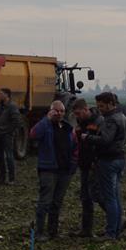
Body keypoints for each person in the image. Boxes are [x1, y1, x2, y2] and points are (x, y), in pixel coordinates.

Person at [83, 92, 126, 240]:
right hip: (120, 159)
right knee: (116, 197)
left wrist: (88, 137)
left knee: (110, 198)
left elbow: (105, 140)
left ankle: (111, 232)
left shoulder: (111, 120)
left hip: (108, 161)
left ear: (110, 104)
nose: (99, 109)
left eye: (101, 106)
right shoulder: (121, 117)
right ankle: (116, 229)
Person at [30, 100, 76, 241]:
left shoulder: (67, 128)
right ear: (51, 111)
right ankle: (39, 232)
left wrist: (73, 164)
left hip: (64, 170)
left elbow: (74, 146)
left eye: (62, 111)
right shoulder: (45, 126)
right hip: (48, 169)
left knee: (57, 202)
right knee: (45, 201)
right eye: (56, 110)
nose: (59, 113)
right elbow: (33, 134)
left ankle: (53, 231)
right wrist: (46, 119)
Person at [71, 98, 105, 238]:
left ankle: (118, 217)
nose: (77, 117)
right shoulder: (80, 122)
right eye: (75, 114)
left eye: (79, 113)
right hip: (84, 163)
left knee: (96, 194)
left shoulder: (98, 121)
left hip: (95, 164)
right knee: (85, 197)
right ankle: (86, 229)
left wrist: (95, 161)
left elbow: (102, 143)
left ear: (86, 109)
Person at [0, 88, 20, 185]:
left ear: (7, 95)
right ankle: (2, 177)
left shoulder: (12, 106)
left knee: (9, 156)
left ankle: (11, 178)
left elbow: (16, 120)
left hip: (6, 135)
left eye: (1, 93)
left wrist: (8, 131)